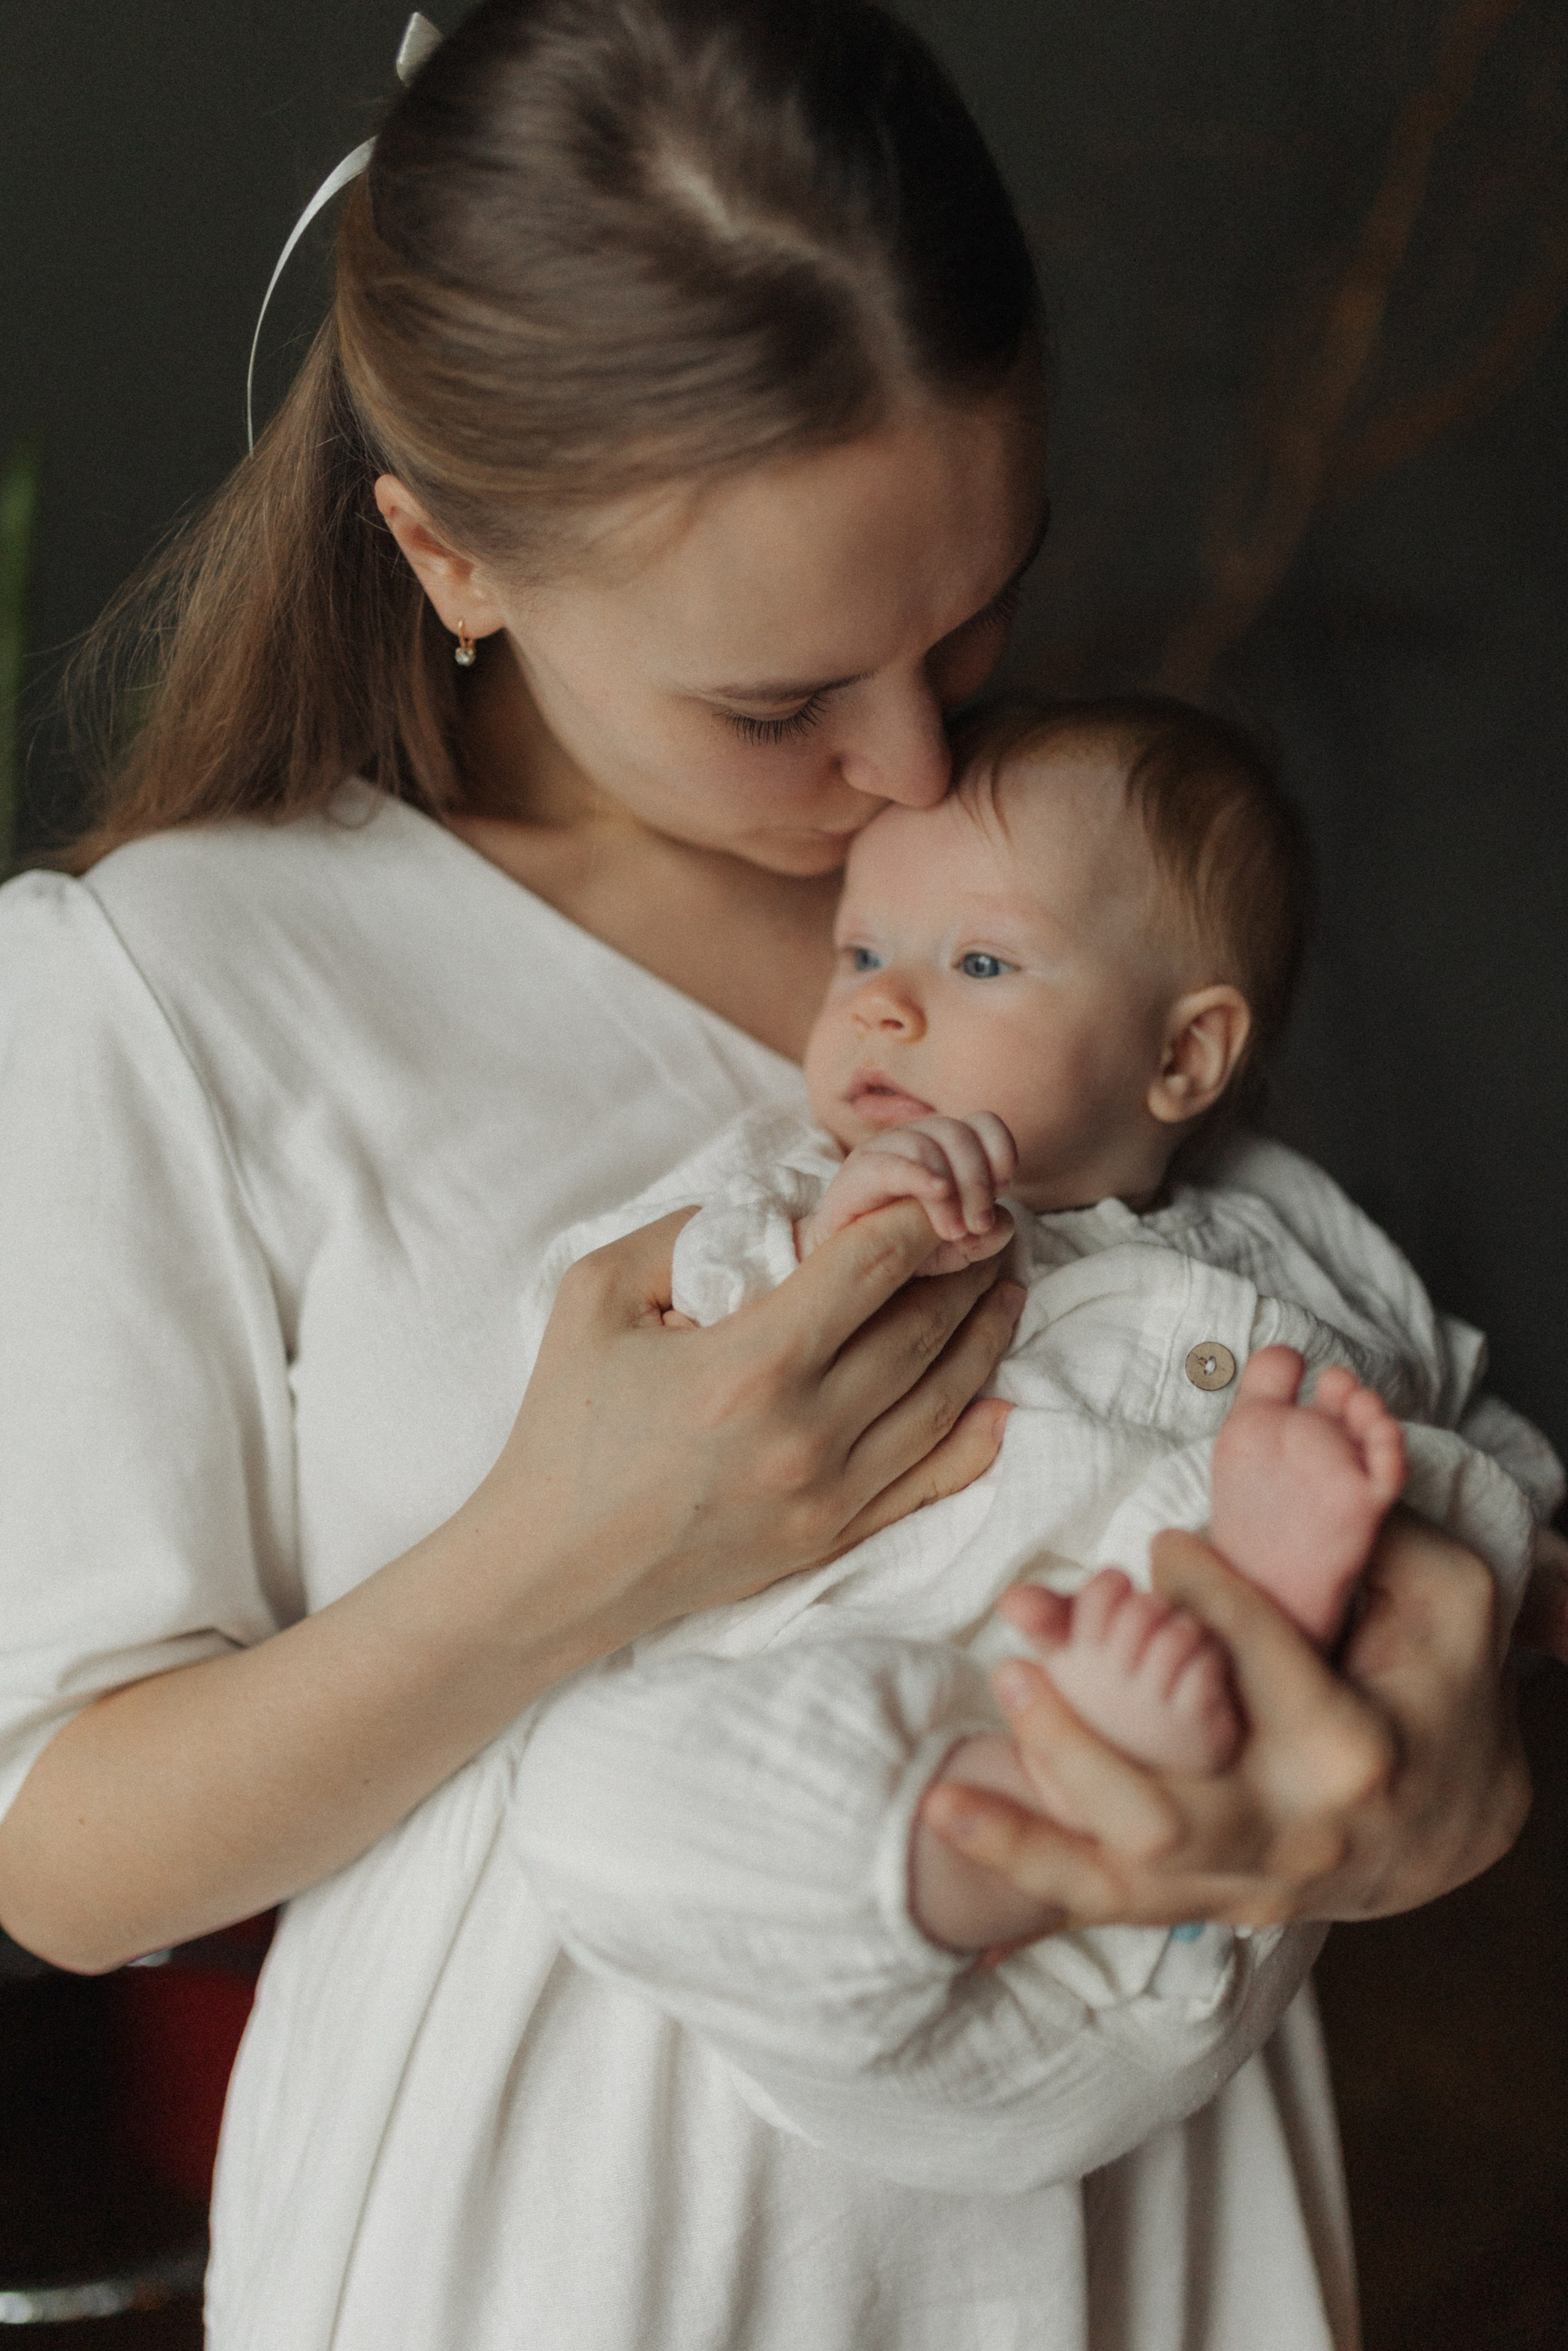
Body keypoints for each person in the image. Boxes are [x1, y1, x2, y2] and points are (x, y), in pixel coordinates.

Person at [0, 4, 1529, 2347]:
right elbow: (65, 1859)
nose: (909, 759)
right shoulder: (170, 987)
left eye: (978, 612)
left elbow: (1274, 1349)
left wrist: (1437, 1738)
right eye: (779, 697)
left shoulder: (1050, 877)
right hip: (577, 2264)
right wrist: (581, 1542)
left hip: (1154, 2218)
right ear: (449, 551)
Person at [505, 693, 1555, 1977]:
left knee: (1387, 1459)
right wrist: (839, 1237)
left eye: (980, 962)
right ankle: (1050, 1803)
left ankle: (1237, 1634)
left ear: (1182, 1053)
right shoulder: (795, 1184)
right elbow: (653, 1339)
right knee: (583, 1786)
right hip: (933, 1825)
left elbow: (1450, 1390)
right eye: (857, 954)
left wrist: (1525, 1554)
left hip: (1235, 1875)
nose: (882, 1006)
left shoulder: (1297, 1232)